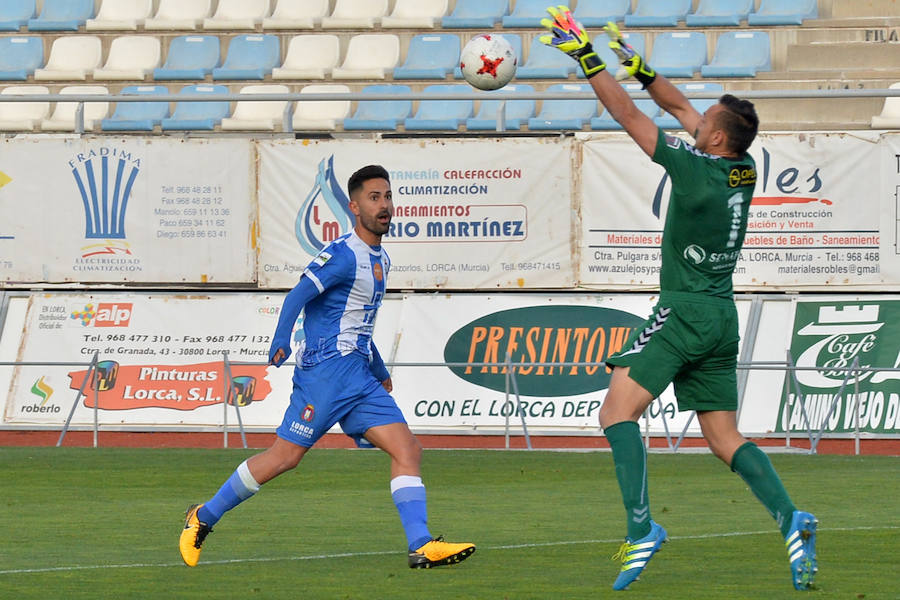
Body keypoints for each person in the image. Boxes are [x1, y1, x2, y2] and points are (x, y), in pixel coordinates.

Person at [539, 7, 817, 592]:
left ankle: (642, 529)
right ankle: (791, 516)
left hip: (685, 310)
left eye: (705, 122)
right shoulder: (741, 168)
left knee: (615, 413)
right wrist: (641, 66)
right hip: (722, 316)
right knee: (723, 438)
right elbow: (678, 106)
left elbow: (630, 116)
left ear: (713, 138)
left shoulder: (693, 171)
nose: (695, 120)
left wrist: (587, 57)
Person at [179, 165, 476, 570]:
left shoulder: (381, 259)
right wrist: (281, 338)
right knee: (284, 457)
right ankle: (203, 517)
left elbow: (358, 323)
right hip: (324, 374)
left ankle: (421, 544)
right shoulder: (342, 254)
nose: (385, 205)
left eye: (387, 196)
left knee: (408, 449)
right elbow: (297, 295)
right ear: (354, 207)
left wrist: (378, 368)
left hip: (357, 376)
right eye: (374, 198)